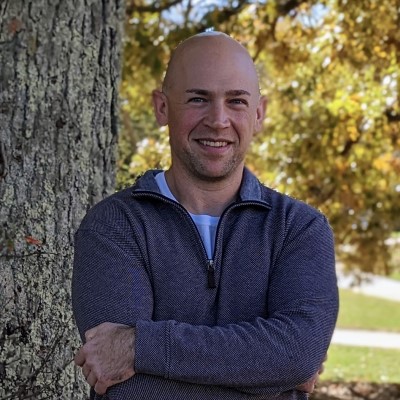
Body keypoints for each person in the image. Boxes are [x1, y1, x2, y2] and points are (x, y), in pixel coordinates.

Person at [72, 31, 339, 399]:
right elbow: (128, 390)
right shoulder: (115, 225)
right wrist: (272, 376)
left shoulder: (299, 228)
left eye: (237, 102)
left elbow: (298, 353)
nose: (218, 120)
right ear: (162, 108)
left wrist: (141, 347)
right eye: (198, 98)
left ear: (258, 114)